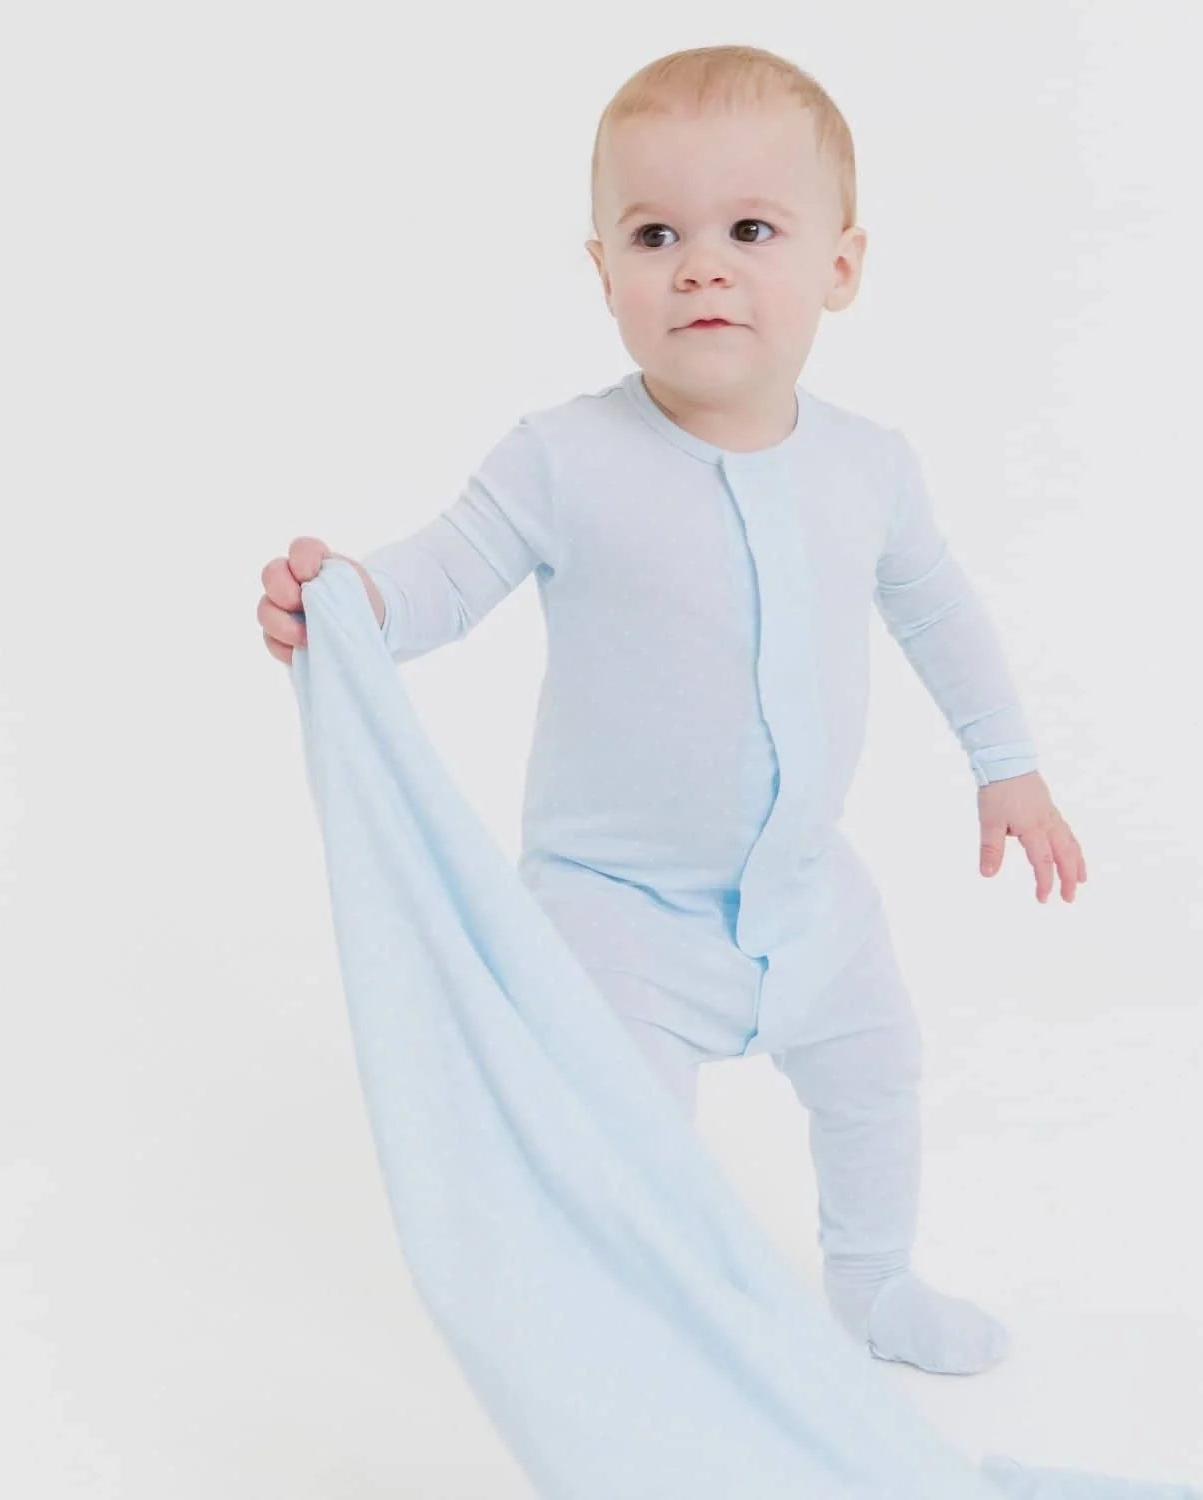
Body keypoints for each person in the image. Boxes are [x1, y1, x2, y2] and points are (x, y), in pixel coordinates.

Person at [256, 44, 1088, 1380]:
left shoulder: (869, 468)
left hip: (805, 892)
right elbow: (441, 579)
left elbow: (938, 613)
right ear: (604, 274)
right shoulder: (563, 458)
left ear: (840, 266)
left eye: (751, 230)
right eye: (657, 236)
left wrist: (1009, 765)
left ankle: (874, 1284)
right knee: (627, 1138)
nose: (701, 267)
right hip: (616, 908)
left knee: (877, 1071)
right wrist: (348, 601)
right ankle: (631, 1335)